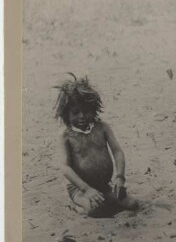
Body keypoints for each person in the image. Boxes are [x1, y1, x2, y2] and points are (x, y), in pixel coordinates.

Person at [55, 74, 139, 217]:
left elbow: (118, 152)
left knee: (132, 204)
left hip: (104, 186)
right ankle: (77, 206)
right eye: (76, 112)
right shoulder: (66, 135)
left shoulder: (102, 128)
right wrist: (86, 189)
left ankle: (106, 199)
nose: (81, 116)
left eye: (86, 111)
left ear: (93, 109)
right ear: (66, 113)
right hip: (79, 189)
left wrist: (120, 177)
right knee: (95, 210)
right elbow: (65, 167)